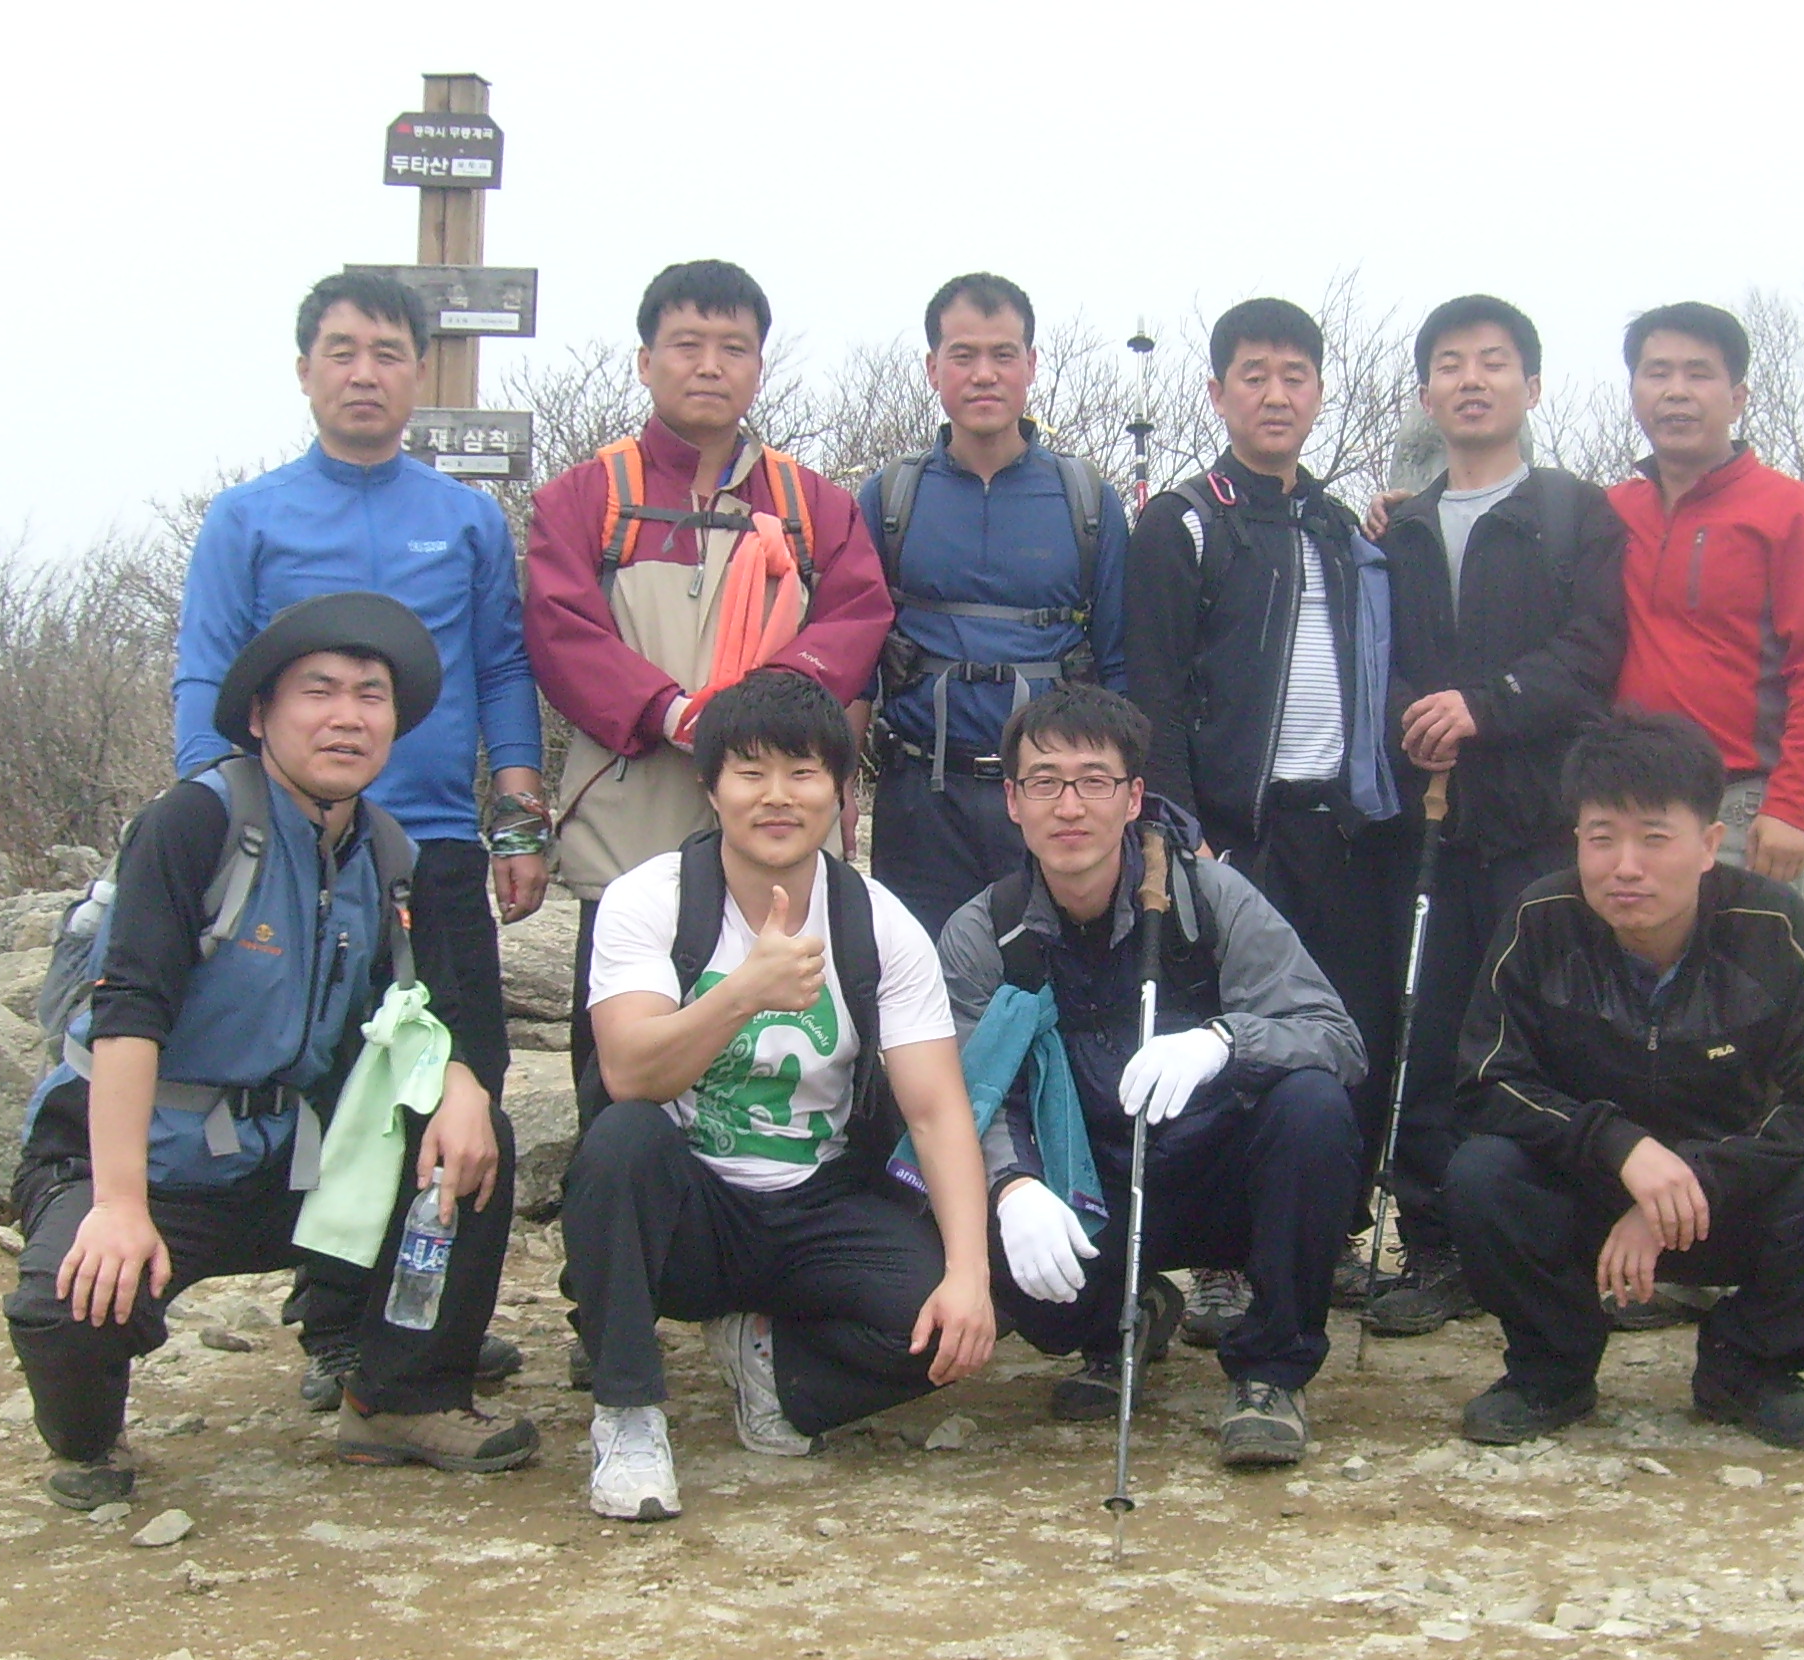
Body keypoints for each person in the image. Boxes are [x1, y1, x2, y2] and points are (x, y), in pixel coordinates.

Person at [5, 593, 539, 1509]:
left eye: (371, 697)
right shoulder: (193, 824)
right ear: (259, 716)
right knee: (68, 1308)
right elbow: (128, 1014)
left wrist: (461, 1089)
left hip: (287, 1159)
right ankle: (89, 1432)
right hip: (147, 1162)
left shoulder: (387, 852)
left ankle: (396, 1396)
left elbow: (425, 1011)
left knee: (472, 1137)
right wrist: (120, 1206)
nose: (347, 718)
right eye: (318, 693)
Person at [170, 271, 542, 1412]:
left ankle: (416, 1327)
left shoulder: (466, 519)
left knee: (464, 1085)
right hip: (294, 854)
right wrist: (218, 826)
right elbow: (205, 676)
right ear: (304, 371)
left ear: (419, 373)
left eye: (387, 353)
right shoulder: (249, 519)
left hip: (433, 847)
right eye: (341, 351)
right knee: (330, 1081)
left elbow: (501, 668)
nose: (364, 373)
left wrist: (516, 818)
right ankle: (339, 1324)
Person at [563, 667, 997, 1522]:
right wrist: (741, 994)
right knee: (621, 1142)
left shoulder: (879, 922)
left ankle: (772, 1370)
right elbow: (630, 1074)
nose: (777, 797)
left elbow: (936, 1109)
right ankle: (628, 1413)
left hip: (816, 1204)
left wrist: (970, 1275)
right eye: (750, 772)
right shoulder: (647, 900)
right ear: (710, 786)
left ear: (841, 792)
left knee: (956, 1312)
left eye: (803, 773)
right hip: (688, 1210)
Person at [1444, 712, 1804, 1452]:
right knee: (1481, 1173)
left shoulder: (1776, 928)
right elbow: (1488, 1080)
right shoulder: (1540, 921)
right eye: (1602, 838)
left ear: (1709, 845)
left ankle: (1750, 1369)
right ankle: (1551, 1367)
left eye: (1654, 838)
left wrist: (1688, 1183)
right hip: (1589, 1193)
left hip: (1730, 1200)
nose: (1625, 866)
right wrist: (1618, 1146)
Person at [935, 685, 1363, 1466]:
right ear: (1012, 800)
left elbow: (1335, 1038)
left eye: (1094, 781)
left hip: (1221, 1177)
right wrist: (1011, 1187)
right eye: (1044, 781)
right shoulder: (983, 933)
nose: (1070, 806)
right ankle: (1119, 1320)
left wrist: (1224, 1041)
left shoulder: (1210, 898)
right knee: (978, 1221)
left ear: (1133, 798)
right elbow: (969, 1092)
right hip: (1086, 1186)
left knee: (1314, 1108)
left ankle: (1271, 1372)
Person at [524, 260, 893, 1130]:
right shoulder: (587, 497)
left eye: (733, 348)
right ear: (645, 360)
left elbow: (858, 618)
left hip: (777, 808)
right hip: (631, 810)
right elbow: (560, 629)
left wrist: (755, 723)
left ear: (760, 367)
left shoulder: (813, 504)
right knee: (619, 1052)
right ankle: (614, 1197)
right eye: (686, 344)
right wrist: (670, 712)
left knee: (793, 1039)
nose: (709, 365)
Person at [1126, 296, 1408, 1347]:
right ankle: (1221, 1260)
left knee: (1345, 1031)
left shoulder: (1339, 529)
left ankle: (1319, 1236)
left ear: (1321, 392)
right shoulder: (1184, 521)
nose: (1276, 394)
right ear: (1217, 392)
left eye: (1295, 376)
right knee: (1229, 1035)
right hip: (1231, 835)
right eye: (1254, 375)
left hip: (1345, 830)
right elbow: (1152, 687)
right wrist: (1175, 825)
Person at [1363, 294, 1628, 1339]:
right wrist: (1409, 719)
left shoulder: (1574, 513)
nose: (1471, 380)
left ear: (1533, 384)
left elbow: (1594, 650)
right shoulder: (1399, 528)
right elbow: (1371, 654)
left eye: (1493, 361)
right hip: (1426, 829)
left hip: (1541, 825)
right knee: (1425, 1035)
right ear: (1426, 392)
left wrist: (1487, 705)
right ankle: (1437, 1246)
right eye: (1450, 364)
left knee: (1547, 1037)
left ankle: (1563, 1240)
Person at [857, 272, 1130, 933]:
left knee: (1049, 977)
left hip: (1050, 803)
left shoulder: (1088, 502)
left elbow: (1121, 663)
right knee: (918, 981)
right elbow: (856, 658)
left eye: (1003, 354)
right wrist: (836, 778)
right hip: (918, 798)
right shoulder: (889, 499)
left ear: (1031, 365)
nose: (984, 374)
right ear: (933, 367)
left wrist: (1124, 801)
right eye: (963, 354)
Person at [1606, 301, 1804, 895]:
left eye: (1698, 374)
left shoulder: (1791, 511)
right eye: (1657, 373)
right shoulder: (1611, 511)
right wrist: (1413, 508)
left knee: (1751, 958)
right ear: (1635, 391)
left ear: (1737, 396)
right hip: (1625, 805)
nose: (1676, 391)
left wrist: (1792, 806)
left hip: (1745, 806)